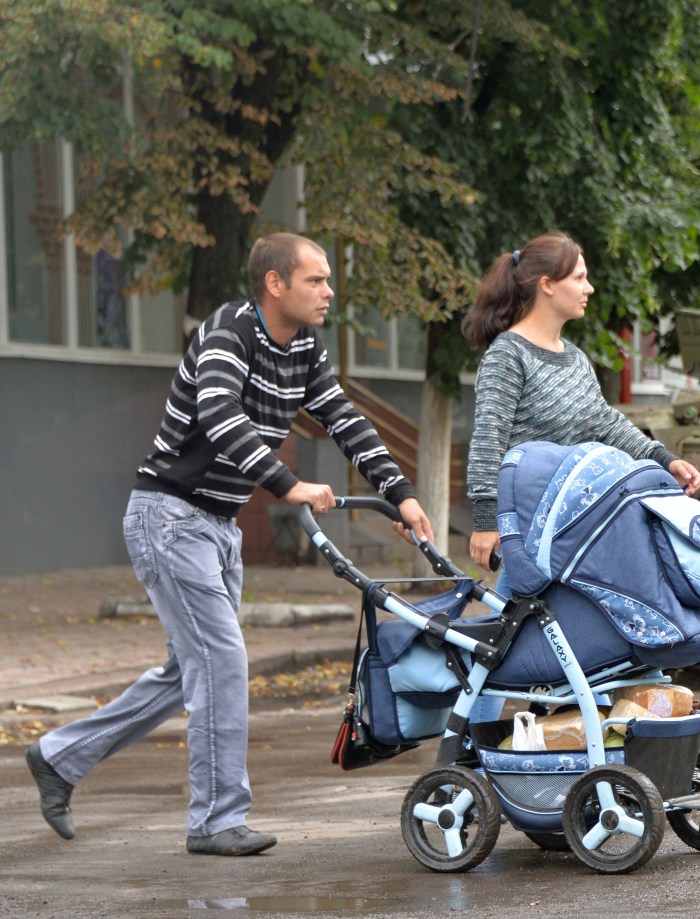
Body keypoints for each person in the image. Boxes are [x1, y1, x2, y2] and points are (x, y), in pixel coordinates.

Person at [25, 233, 434, 855]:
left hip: (218, 526)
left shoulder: (304, 348)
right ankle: (216, 821)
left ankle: (58, 756)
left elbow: (343, 419)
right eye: (316, 280)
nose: (329, 291)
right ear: (276, 284)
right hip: (169, 516)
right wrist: (289, 485)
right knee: (220, 662)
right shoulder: (227, 333)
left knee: (184, 673)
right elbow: (220, 416)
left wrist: (400, 492)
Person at [463, 231, 700, 580]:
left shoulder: (574, 358)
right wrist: (486, 519)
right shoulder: (508, 354)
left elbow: (605, 425)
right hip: (529, 532)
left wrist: (665, 460)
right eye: (579, 278)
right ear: (547, 284)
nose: (589, 288)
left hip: (574, 530)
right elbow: (488, 441)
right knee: (524, 628)